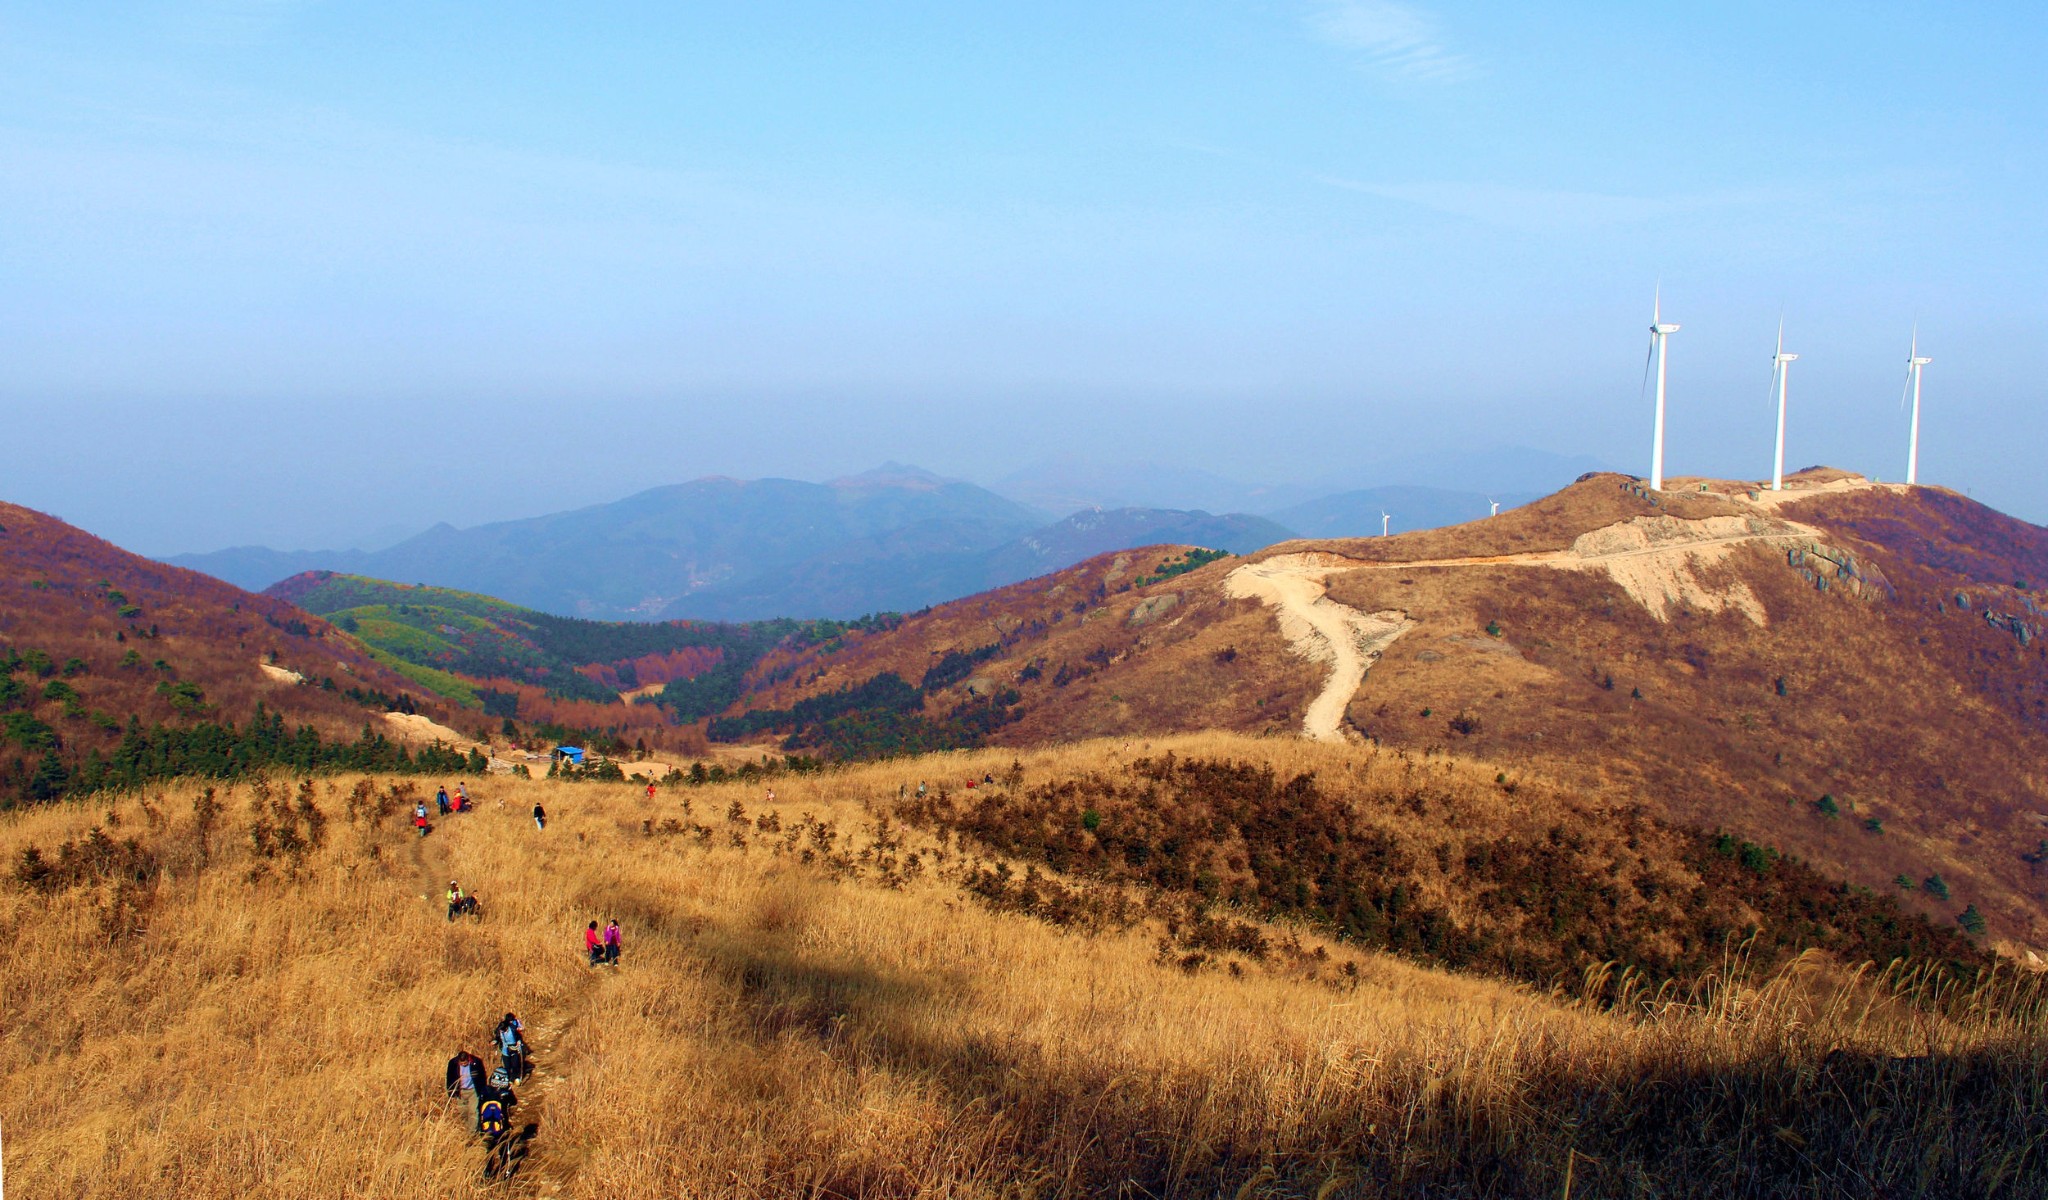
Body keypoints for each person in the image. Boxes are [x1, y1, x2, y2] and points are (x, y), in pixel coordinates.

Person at [445, 1049, 485, 1131]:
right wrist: (451, 1093)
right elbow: (450, 1079)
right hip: (461, 1092)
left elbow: (482, 1077)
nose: (463, 1064)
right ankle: (465, 1130)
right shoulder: (452, 1064)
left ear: (468, 1059)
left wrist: (482, 1091)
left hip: (473, 1091)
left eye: (465, 1063)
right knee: (463, 1113)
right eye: (461, 1063)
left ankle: (472, 1132)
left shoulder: (477, 1062)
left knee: (473, 1111)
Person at [495, 1013, 526, 1082]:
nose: (502, 1032)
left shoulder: (513, 1029)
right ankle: (508, 1079)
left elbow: (518, 1036)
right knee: (507, 1067)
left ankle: (515, 1078)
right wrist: (495, 1041)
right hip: (505, 1050)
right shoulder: (500, 1030)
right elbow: (497, 1038)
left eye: (504, 1030)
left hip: (514, 1048)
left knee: (515, 1065)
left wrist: (519, 1041)